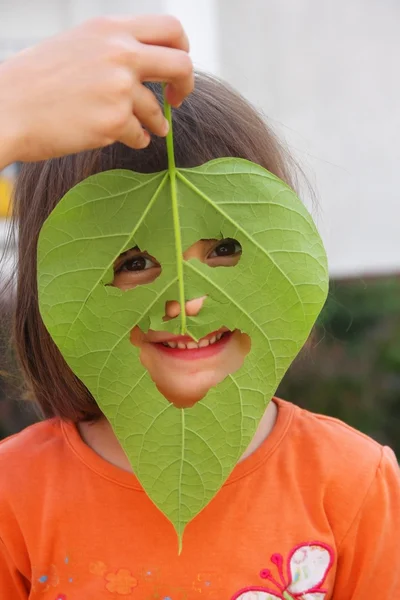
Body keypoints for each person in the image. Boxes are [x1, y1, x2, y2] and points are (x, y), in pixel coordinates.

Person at [0, 14, 399, 600]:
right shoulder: (14, 493)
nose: (186, 302)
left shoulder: (354, 482)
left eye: (227, 247)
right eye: (133, 261)